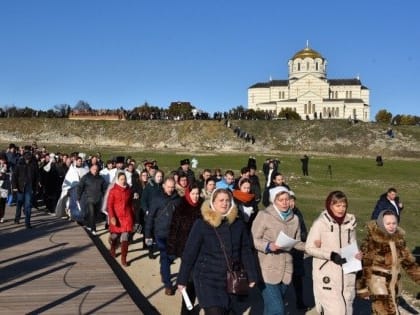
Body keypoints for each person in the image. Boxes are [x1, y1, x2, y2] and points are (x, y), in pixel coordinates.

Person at [176, 188, 258, 314]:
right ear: (213, 203)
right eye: (221, 200)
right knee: (215, 311)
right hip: (207, 279)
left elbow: (245, 250)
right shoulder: (202, 224)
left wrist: (252, 275)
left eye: (227, 200)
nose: (224, 203)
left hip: (231, 279)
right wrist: (182, 279)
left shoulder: (238, 224)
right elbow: (189, 253)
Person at [305, 190, 362, 315]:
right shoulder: (320, 223)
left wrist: (357, 258)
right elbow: (309, 248)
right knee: (336, 311)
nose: (341, 209)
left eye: (344, 206)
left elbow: (353, 246)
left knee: (347, 309)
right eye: (338, 205)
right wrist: (331, 255)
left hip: (347, 275)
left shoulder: (350, 223)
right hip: (328, 274)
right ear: (330, 205)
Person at [251, 186, 305, 315]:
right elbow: (253, 239)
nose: (285, 202)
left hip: (286, 270)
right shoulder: (264, 215)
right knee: (278, 310)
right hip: (266, 269)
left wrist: (313, 246)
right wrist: (268, 246)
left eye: (287, 199)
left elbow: (297, 242)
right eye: (281, 200)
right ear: (274, 201)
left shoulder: (295, 219)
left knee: (271, 308)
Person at [356, 210, 420, 314]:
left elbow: (410, 264)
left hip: (394, 285)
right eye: (388, 223)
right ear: (381, 223)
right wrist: (362, 288)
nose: (391, 226)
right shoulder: (373, 241)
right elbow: (365, 265)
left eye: (394, 223)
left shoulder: (399, 241)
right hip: (378, 285)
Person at [167, 183, 203, 314]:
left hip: (200, 249)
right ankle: (186, 308)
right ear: (188, 194)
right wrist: (171, 248)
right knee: (189, 280)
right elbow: (174, 228)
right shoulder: (181, 207)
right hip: (185, 249)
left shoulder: (203, 207)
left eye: (198, 194)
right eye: (193, 193)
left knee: (197, 279)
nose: (196, 196)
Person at [144, 177, 181, 295]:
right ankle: (168, 284)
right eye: (169, 187)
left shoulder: (178, 200)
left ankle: (163, 270)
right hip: (161, 234)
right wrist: (148, 234)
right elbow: (150, 218)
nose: (170, 189)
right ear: (164, 186)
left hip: (174, 234)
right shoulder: (157, 199)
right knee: (165, 256)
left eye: (172, 187)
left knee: (171, 256)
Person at [288, 191, 310, 311]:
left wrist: (304, 237)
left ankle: (299, 301)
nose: (291, 203)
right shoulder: (282, 214)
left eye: (292, 200)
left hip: (297, 249)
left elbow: (303, 229)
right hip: (286, 250)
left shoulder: (297, 212)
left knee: (298, 277)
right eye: (288, 200)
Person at [107, 172, 134, 267]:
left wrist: (133, 216)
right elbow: (109, 205)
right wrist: (112, 217)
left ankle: (124, 258)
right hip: (116, 217)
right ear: (118, 180)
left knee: (125, 237)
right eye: (121, 179)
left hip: (126, 217)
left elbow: (130, 204)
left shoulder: (129, 190)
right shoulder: (113, 191)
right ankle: (113, 248)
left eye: (124, 179)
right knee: (114, 236)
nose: (123, 181)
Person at [77, 164, 108, 235]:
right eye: (94, 169)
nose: (95, 171)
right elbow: (80, 187)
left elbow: (104, 189)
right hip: (89, 198)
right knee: (92, 213)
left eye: (96, 169)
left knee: (95, 214)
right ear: (90, 169)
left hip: (98, 199)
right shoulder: (85, 177)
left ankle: (88, 224)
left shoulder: (101, 178)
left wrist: (106, 197)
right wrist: (78, 197)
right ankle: (93, 229)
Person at [12, 151, 39, 228]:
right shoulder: (19, 165)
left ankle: (27, 223)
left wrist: (36, 188)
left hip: (29, 187)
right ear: (24, 157)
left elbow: (37, 177)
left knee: (28, 205)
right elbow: (14, 177)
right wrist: (14, 186)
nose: (28, 160)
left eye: (29, 158)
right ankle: (17, 218)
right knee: (19, 203)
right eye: (27, 158)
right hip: (20, 187)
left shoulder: (33, 165)